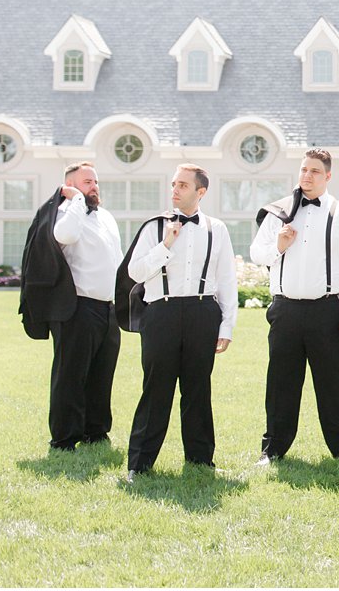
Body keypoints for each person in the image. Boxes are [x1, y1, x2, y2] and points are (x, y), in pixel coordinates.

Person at [249, 148, 339, 463]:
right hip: (285, 311)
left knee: (332, 385)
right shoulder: (279, 212)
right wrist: (279, 244)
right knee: (280, 384)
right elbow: (257, 254)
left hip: (327, 312)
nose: (307, 176)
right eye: (303, 170)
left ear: (328, 176)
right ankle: (272, 450)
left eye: (315, 171)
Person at [122, 164, 236, 480]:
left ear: (201, 192)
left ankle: (200, 461)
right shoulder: (153, 228)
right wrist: (166, 245)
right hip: (161, 313)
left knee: (198, 388)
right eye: (174, 183)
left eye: (183, 185)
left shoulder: (217, 229)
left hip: (203, 313)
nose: (175, 189)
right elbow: (135, 272)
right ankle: (139, 464)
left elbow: (226, 280)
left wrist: (226, 326)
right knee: (156, 388)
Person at [20, 161, 122, 451]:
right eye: (87, 182)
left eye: (96, 182)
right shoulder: (65, 214)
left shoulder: (106, 217)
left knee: (102, 374)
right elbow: (64, 236)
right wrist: (75, 200)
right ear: (71, 185)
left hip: (108, 308)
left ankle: (96, 432)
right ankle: (64, 438)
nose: (94, 187)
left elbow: (116, 257)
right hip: (77, 307)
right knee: (71, 375)